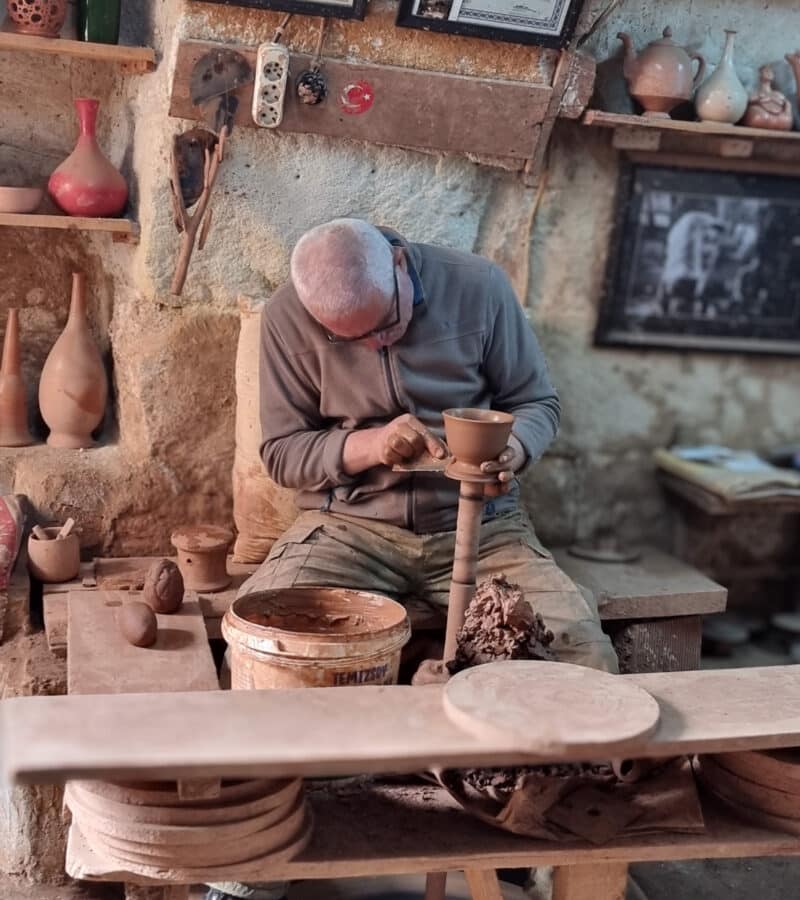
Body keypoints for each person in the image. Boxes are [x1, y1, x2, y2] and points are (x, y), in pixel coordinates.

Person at [205, 218, 614, 900]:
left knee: (584, 654)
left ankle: (548, 854)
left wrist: (513, 451)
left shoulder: (478, 287)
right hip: (349, 526)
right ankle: (250, 869)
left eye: (385, 326)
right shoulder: (286, 318)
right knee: (261, 650)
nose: (376, 343)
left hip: (484, 523)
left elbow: (536, 401)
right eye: (353, 340)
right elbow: (281, 452)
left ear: (399, 263)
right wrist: (365, 447)